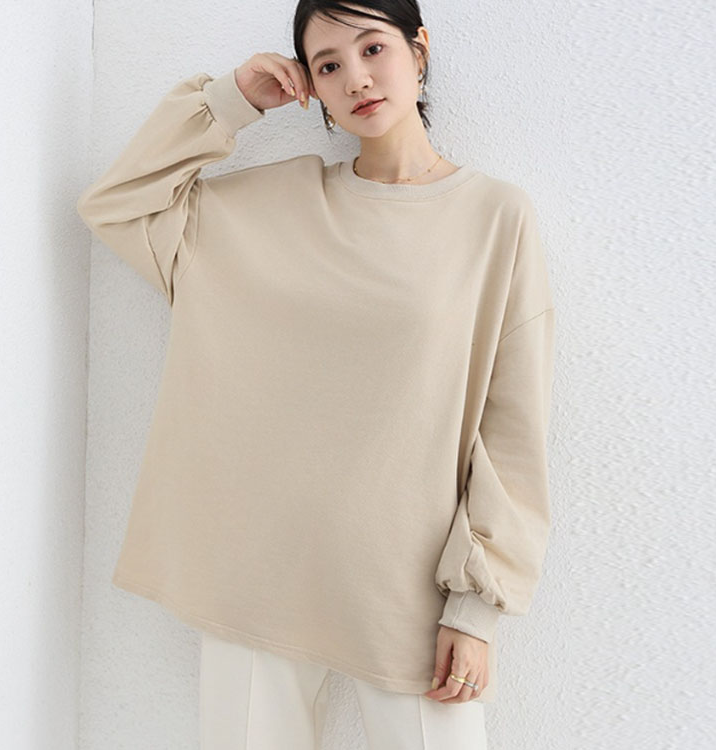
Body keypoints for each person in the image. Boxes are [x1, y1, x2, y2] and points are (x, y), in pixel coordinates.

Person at [75, 1, 556, 748]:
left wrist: (477, 608)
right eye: (329, 64)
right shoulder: (266, 207)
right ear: (311, 86)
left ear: (419, 49)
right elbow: (118, 204)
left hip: (404, 589)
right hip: (254, 575)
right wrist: (232, 100)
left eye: (373, 49)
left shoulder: (493, 216)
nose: (356, 77)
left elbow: (513, 424)